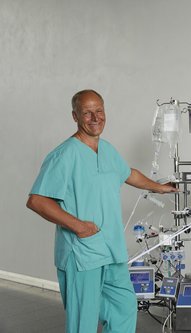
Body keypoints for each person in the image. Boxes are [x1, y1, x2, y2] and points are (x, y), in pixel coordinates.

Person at [26, 89, 178, 333]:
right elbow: (37, 200)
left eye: (99, 111)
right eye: (87, 113)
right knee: (83, 323)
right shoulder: (64, 155)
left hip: (111, 249)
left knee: (124, 308)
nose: (95, 117)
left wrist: (159, 187)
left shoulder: (106, 150)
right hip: (82, 254)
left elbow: (128, 174)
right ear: (75, 116)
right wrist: (79, 226)